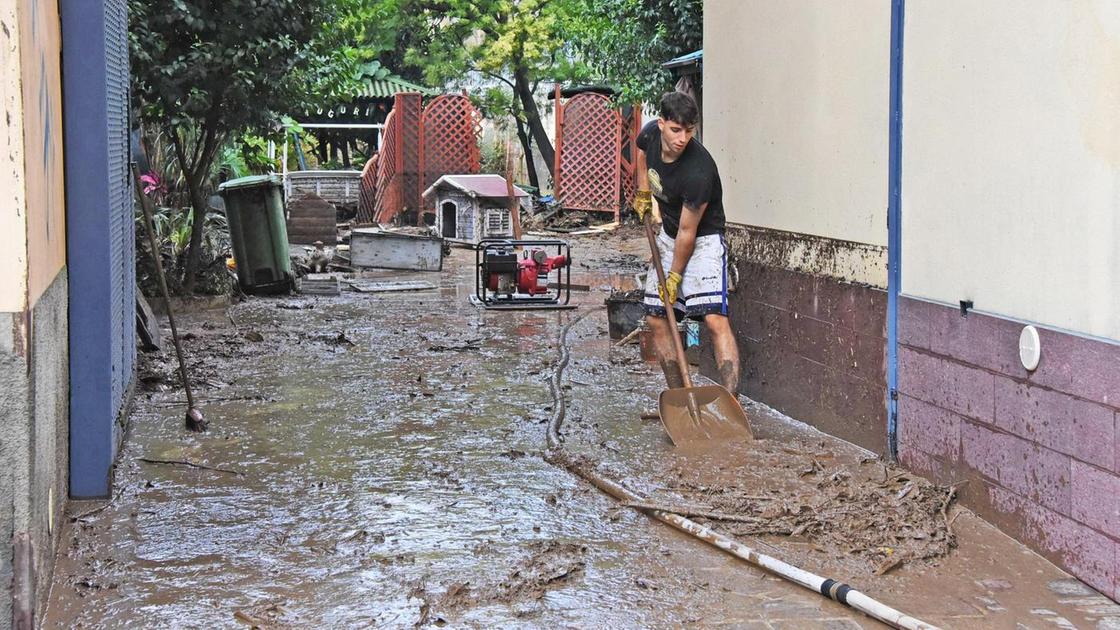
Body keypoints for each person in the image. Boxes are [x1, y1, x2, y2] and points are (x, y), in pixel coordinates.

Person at [633, 91, 740, 394]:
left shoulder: (699, 170)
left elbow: (688, 233)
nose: (682, 138)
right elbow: (640, 152)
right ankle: (680, 399)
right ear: (662, 123)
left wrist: (675, 275)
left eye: (689, 131)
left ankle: (730, 401)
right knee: (656, 318)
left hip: (703, 239)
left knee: (714, 318)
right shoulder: (651, 134)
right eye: (676, 130)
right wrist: (643, 192)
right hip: (669, 235)